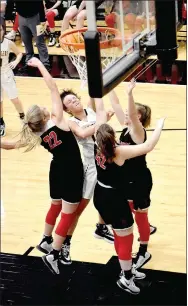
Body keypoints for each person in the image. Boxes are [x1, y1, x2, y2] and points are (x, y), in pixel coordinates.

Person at [0, 57, 85, 275]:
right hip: (71, 171)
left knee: (55, 205)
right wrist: (39, 65)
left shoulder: (36, 133)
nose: (47, 105)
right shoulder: (58, 120)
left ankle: (46, 239)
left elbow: (9, 146)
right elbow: (53, 87)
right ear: (45, 114)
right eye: (43, 107)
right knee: (68, 213)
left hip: (56, 170)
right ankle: (53, 253)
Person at [93, 95, 166, 294]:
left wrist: (111, 88)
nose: (124, 114)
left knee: (134, 223)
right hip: (119, 191)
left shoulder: (98, 143)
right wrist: (160, 125)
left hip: (118, 187)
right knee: (125, 232)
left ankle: (140, 254)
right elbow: (149, 146)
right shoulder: (118, 148)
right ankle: (126, 274)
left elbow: (113, 112)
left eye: (130, 113)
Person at [59, 89, 114, 265]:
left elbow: (97, 95)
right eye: (70, 102)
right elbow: (83, 134)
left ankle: (101, 227)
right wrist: (102, 121)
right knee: (79, 208)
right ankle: (65, 243)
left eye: (75, 98)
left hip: (107, 161)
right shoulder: (71, 122)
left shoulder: (91, 110)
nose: (74, 101)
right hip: (91, 166)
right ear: (67, 109)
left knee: (108, 197)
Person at [109, 79, 157, 269]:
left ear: (138, 116)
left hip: (139, 180)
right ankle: (142, 233)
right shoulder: (127, 126)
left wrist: (129, 94)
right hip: (126, 180)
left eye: (131, 112)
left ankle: (144, 252)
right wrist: (108, 85)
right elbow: (115, 105)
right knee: (127, 215)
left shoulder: (138, 132)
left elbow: (129, 111)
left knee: (140, 217)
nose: (126, 114)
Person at [0, 17, 25, 137]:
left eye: (0, 29)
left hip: (6, 75)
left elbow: (19, 53)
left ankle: (23, 118)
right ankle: (1, 123)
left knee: (14, 99)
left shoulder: (8, 42)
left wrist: (15, 62)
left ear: (4, 30)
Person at [12, 0, 50, 74]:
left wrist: (42, 19)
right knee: (26, 41)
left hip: (35, 17)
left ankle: (45, 63)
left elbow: (40, 3)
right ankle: (29, 62)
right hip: (21, 17)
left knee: (39, 41)